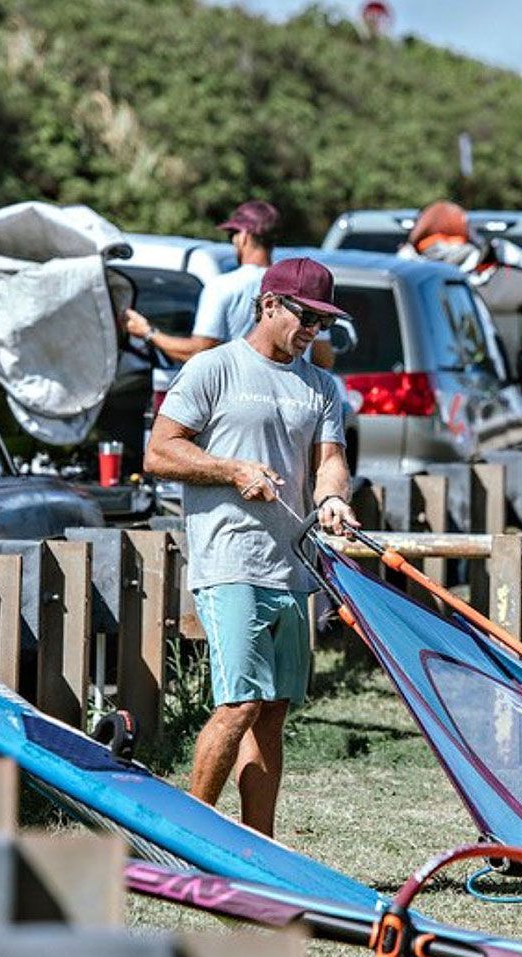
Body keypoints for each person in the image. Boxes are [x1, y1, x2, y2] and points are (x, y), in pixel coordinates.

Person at [143, 257, 360, 837]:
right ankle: (186, 839)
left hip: (293, 569)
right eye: (306, 315)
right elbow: (160, 452)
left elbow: (331, 461)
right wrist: (230, 470)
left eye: (323, 320)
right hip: (230, 562)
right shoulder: (215, 368)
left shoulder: (320, 385)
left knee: (271, 714)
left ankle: (258, 851)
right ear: (269, 305)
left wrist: (334, 497)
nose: (314, 329)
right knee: (239, 704)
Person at [124, 199, 336, 369]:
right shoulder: (301, 290)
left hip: (238, 404)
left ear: (244, 236)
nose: (232, 241)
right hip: (292, 402)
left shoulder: (223, 287)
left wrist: (148, 332)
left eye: (232, 234)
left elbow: (199, 353)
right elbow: (324, 360)